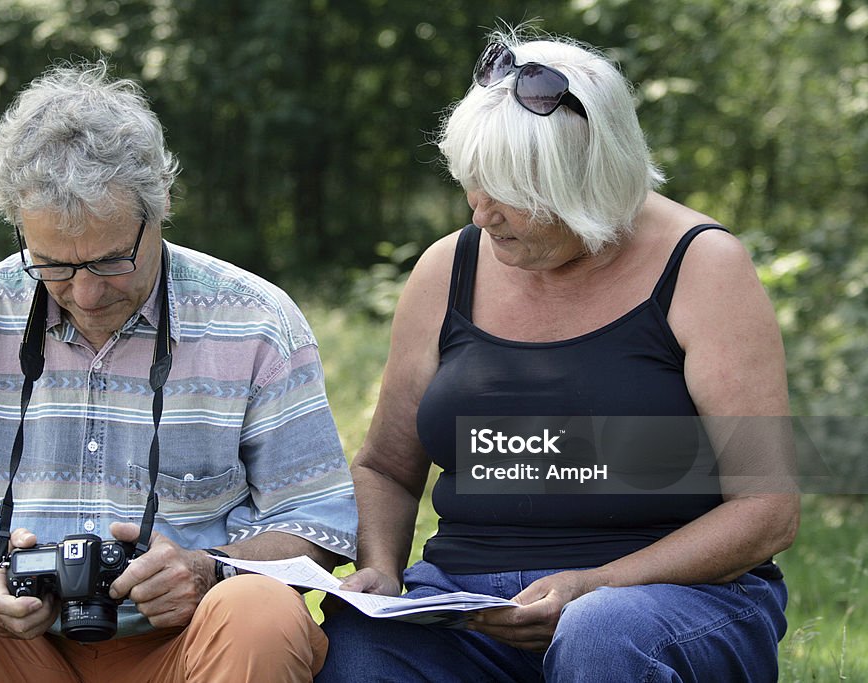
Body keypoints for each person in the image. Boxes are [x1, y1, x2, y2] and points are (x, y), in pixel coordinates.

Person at [0, 60, 356, 683]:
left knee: (261, 612)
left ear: (160, 206)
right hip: (11, 651)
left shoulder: (256, 321)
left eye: (111, 260)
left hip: (188, 649)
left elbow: (317, 526)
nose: (84, 294)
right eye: (53, 265)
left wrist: (207, 570)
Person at [316, 29, 799, 683]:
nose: (481, 213)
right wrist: (378, 566)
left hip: (667, 597)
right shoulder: (446, 268)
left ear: (591, 179)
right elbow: (386, 468)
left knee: (598, 634)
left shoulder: (703, 265)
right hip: (473, 608)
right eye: (473, 183)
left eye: (508, 192)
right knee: (357, 646)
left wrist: (595, 583)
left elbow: (765, 510)